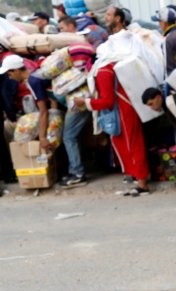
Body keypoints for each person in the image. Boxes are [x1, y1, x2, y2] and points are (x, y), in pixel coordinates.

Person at [82, 6, 151, 197]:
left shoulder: (129, 41)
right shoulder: (109, 46)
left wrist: (86, 103)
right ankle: (137, 178)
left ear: (119, 19)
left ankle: (142, 181)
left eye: (109, 15)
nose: (106, 18)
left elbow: (138, 66)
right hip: (121, 103)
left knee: (132, 142)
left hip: (126, 102)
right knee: (125, 142)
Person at [58, 46, 97, 188]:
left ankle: (77, 173)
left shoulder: (79, 69)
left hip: (78, 104)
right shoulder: (87, 67)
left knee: (69, 137)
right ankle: (75, 169)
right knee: (73, 136)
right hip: (82, 101)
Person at [1, 55, 56, 154]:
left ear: (17, 70)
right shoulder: (34, 75)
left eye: (9, 74)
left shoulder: (32, 81)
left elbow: (43, 111)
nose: (9, 78)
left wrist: (42, 137)